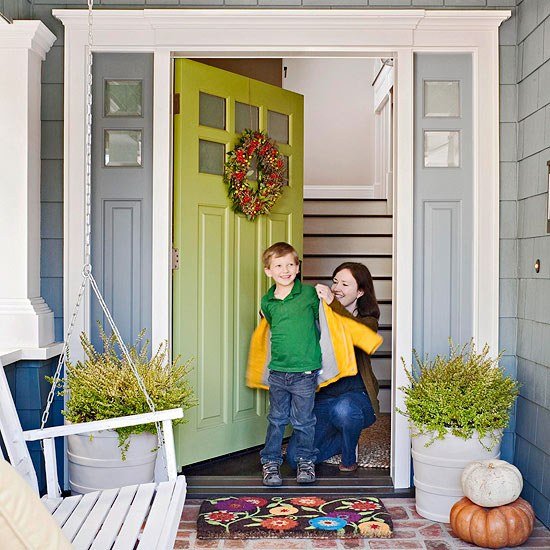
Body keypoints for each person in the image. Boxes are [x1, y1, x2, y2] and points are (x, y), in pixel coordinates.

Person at [287, 262, 380, 472]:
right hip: (324, 398)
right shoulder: (319, 317)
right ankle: (345, 437)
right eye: (335, 281)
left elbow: (355, 333)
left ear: (360, 292)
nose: (337, 288)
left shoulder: (368, 322)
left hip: (356, 398)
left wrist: (331, 303)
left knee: (344, 410)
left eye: (345, 284)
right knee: (296, 459)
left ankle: (349, 456)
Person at [259, 242, 321, 487]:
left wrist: (327, 297)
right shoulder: (267, 302)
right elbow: (271, 328)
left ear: (297, 268)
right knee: (276, 418)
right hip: (278, 372)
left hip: (305, 372)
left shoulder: (308, 294)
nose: (285, 270)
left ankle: (306, 461)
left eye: (290, 265)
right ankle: (270, 461)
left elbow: (326, 321)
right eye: (278, 266)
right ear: (268, 271)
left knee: (304, 421)